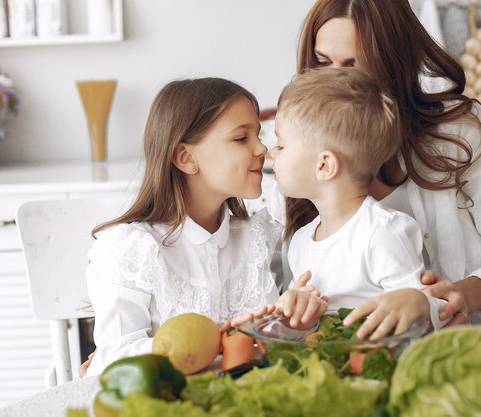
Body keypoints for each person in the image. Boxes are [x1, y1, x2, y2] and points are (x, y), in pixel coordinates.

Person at [274, 0, 481, 326]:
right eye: (322, 62)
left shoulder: (459, 128)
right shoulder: (299, 150)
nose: (335, 80)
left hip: (462, 338)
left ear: (394, 62)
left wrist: (458, 297)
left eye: (353, 65)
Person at [83, 77, 327, 376]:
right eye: (241, 138)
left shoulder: (259, 240)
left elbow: (272, 346)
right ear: (186, 158)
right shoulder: (129, 250)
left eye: (258, 135)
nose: (262, 148)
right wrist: (216, 340)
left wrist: (295, 321)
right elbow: (112, 361)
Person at [272, 67, 448, 339]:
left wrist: (418, 302)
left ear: (324, 165)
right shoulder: (301, 241)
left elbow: (418, 316)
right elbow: (298, 331)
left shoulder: (383, 233)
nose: (272, 152)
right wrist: (300, 310)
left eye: (281, 146)